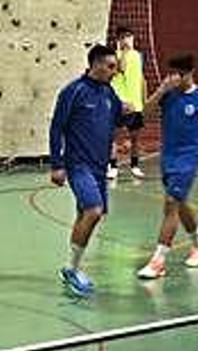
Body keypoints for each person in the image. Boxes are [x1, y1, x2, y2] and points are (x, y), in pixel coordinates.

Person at [136, 54, 198, 279]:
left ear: (189, 73)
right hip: (168, 156)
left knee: (171, 202)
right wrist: (160, 91)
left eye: (179, 74)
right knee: (180, 202)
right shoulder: (168, 95)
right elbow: (144, 116)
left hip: (188, 156)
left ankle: (158, 261)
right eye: (171, 73)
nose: (174, 78)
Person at [50, 44, 125, 297]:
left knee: (88, 214)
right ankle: (71, 269)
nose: (115, 71)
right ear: (97, 65)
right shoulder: (73, 91)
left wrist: (134, 109)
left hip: (99, 167)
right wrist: (57, 165)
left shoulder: (108, 92)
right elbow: (56, 128)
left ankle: (71, 268)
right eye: (111, 67)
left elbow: (120, 119)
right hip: (78, 164)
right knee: (93, 211)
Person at [108, 26, 148, 179]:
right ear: (118, 39)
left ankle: (135, 165)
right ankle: (112, 166)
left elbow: (141, 79)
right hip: (120, 103)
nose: (128, 39)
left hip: (135, 104)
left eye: (130, 36)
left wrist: (144, 100)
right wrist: (123, 51)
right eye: (124, 36)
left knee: (135, 137)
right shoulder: (114, 56)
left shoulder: (138, 56)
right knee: (114, 136)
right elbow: (122, 69)